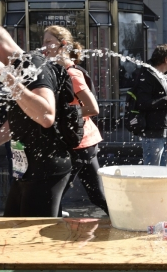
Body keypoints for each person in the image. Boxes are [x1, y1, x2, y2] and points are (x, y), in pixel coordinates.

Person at [0, 20, 71, 217]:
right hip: (25, 171)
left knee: (31, 240)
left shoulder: (33, 64)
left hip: (46, 170)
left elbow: (46, 115)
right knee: (12, 230)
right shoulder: (16, 69)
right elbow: (20, 120)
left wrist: (7, 78)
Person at [42, 25, 109, 215]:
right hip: (80, 142)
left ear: (63, 45)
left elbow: (93, 108)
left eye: (48, 42)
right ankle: (127, 219)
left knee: (54, 195)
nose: (44, 46)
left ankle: (51, 228)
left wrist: (60, 117)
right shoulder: (54, 70)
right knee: (97, 195)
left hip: (81, 143)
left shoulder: (72, 73)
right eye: (43, 41)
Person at [134, 44, 167, 166]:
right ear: (166, 59)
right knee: (152, 172)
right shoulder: (148, 75)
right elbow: (142, 103)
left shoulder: (161, 75)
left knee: (164, 172)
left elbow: (157, 97)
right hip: (153, 132)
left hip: (164, 131)